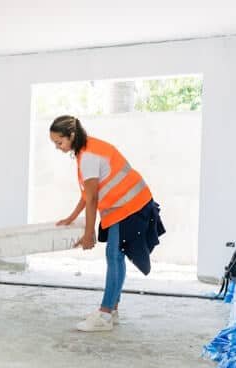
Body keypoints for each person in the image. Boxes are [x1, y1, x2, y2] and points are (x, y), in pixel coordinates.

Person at [50, 115, 165, 332]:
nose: (58, 147)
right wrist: (72, 217)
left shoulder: (88, 156)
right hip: (124, 205)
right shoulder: (86, 149)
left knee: (114, 254)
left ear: (71, 136)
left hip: (130, 206)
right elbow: (87, 194)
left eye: (59, 142)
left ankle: (105, 314)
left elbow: (92, 198)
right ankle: (111, 310)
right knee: (116, 254)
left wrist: (88, 233)